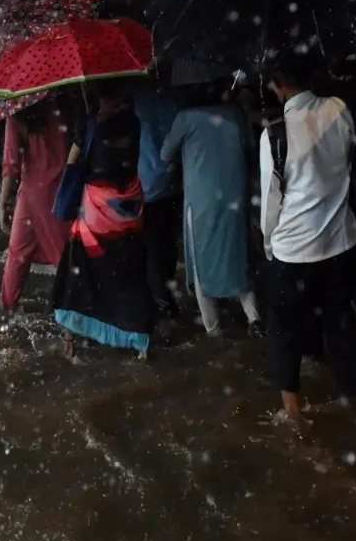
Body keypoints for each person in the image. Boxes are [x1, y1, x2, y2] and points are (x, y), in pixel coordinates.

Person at [259, 50, 356, 422]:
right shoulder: (338, 109)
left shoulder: (275, 134)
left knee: (284, 328)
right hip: (339, 242)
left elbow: (270, 201)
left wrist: (269, 245)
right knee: (342, 322)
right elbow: (348, 164)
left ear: (279, 84)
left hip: (294, 250)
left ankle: (293, 411)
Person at [52, 87, 153, 360]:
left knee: (81, 266)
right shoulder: (133, 121)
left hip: (98, 209)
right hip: (131, 207)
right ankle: (139, 341)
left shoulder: (90, 123)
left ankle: (72, 334)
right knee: (128, 269)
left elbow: (73, 163)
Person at [162, 85, 263, 338]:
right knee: (237, 256)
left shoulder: (186, 118)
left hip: (201, 201)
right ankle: (255, 319)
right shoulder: (236, 114)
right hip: (235, 196)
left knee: (200, 266)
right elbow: (250, 151)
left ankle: (213, 329)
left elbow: (165, 154)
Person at [0, 97, 73, 310]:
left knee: (17, 257)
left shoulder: (18, 110)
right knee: (65, 259)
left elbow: (11, 162)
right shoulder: (66, 103)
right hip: (60, 192)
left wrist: (3, 202)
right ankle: (74, 319)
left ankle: (7, 309)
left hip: (30, 193)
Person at [134, 84, 183, 315]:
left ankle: (163, 303)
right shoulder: (175, 97)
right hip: (173, 182)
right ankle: (168, 291)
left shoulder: (136, 99)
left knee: (152, 249)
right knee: (168, 244)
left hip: (146, 186)